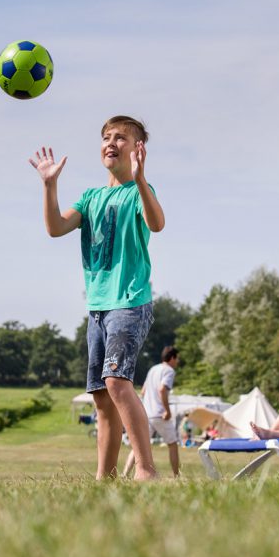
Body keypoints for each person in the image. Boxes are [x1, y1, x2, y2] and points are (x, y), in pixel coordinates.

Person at [29, 115, 166, 480]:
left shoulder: (139, 191)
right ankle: (104, 480)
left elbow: (156, 223)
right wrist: (49, 185)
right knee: (103, 399)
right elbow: (55, 227)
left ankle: (147, 471)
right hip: (98, 308)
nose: (111, 142)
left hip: (130, 301)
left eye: (121, 137)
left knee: (117, 382)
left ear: (137, 149)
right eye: (106, 136)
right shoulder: (91, 197)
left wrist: (139, 181)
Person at [123, 346, 181, 477]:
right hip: (159, 414)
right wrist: (167, 410)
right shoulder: (169, 371)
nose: (178, 362)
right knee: (172, 444)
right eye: (177, 359)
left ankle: (125, 474)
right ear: (172, 358)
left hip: (146, 414)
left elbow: (143, 391)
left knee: (138, 447)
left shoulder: (153, 369)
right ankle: (176, 476)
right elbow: (162, 389)